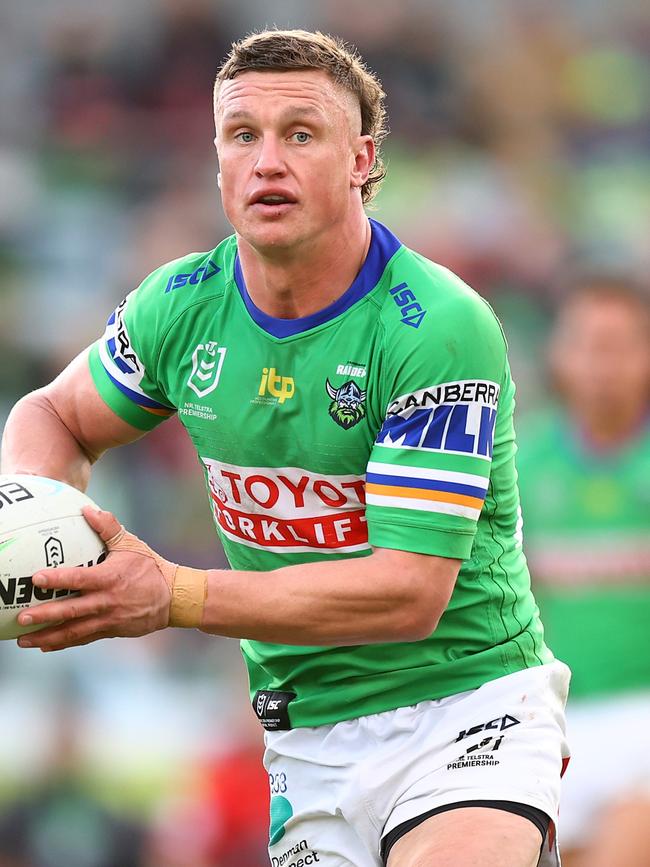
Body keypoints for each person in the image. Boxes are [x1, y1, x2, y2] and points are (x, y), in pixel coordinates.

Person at [0, 29, 570, 867]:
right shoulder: (179, 307)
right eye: (243, 136)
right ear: (218, 164)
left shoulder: (437, 328)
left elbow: (408, 592)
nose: (268, 160)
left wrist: (175, 594)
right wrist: (32, 514)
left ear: (360, 159)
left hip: (466, 708)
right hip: (307, 738)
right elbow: (55, 414)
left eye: (301, 134)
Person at [516, 276, 650, 867]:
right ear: (560, 356)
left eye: (619, 345)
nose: (604, 365)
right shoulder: (521, 468)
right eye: (588, 345)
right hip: (555, 726)